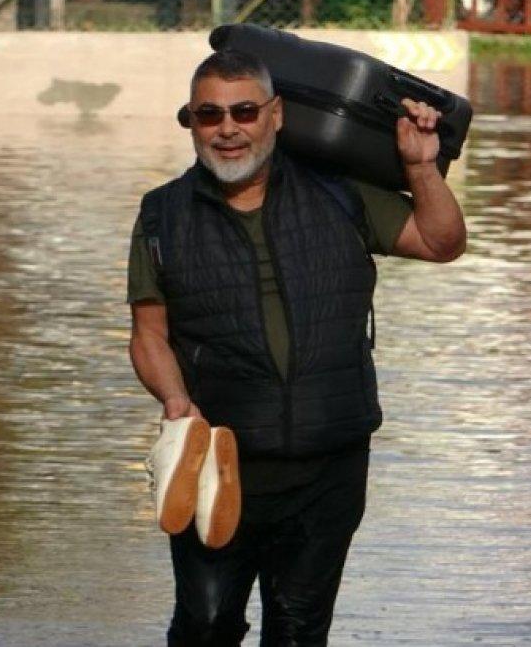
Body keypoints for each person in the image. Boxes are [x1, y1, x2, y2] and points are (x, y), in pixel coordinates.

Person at [127, 48, 466, 647]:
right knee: (206, 624)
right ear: (191, 122)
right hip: (220, 465)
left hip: (329, 466)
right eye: (209, 115)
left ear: (276, 115)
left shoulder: (343, 196)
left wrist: (420, 168)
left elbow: (442, 243)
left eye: (244, 111)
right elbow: (149, 334)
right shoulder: (162, 216)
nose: (228, 128)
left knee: (298, 632)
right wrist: (177, 402)